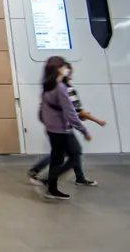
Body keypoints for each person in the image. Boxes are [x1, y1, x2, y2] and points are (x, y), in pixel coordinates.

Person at [28, 62, 105, 187]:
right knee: (70, 154)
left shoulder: (51, 89)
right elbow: (76, 111)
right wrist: (93, 123)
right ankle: (48, 179)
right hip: (63, 128)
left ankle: (76, 177)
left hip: (58, 127)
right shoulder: (66, 89)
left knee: (66, 153)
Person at [38, 56, 91, 201]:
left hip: (52, 129)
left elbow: (46, 111)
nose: (66, 69)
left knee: (57, 158)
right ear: (59, 69)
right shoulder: (60, 88)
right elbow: (70, 113)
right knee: (74, 155)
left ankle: (51, 187)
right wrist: (84, 130)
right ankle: (49, 182)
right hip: (62, 130)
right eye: (64, 66)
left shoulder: (46, 85)